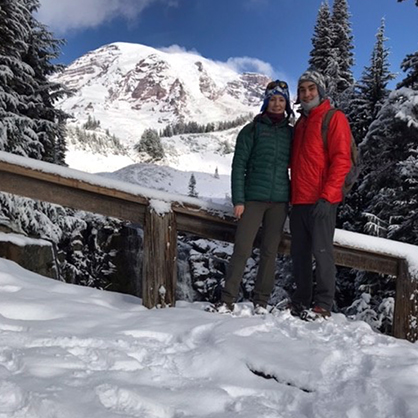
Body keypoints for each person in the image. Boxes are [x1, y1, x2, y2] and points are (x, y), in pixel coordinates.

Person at [210, 80, 293, 315]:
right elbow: (239, 166)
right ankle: (227, 299)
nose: (277, 104)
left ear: (286, 104)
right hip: (253, 199)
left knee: (269, 251)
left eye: (281, 100)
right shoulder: (251, 130)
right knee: (242, 249)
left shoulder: (290, 133)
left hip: (279, 201)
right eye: (273, 99)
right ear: (266, 102)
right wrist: (239, 200)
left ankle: (261, 302)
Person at [288, 69, 352, 320]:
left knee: (322, 252)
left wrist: (328, 197)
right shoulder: (301, 123)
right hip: (300, 200)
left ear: (321, 90)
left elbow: (341, 161)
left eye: (311, 88)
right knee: (300, 254)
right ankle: (301, 300)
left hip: (322, 200)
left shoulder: (333, 118)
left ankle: (324, 304)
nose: (306, 94)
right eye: (302, 90)